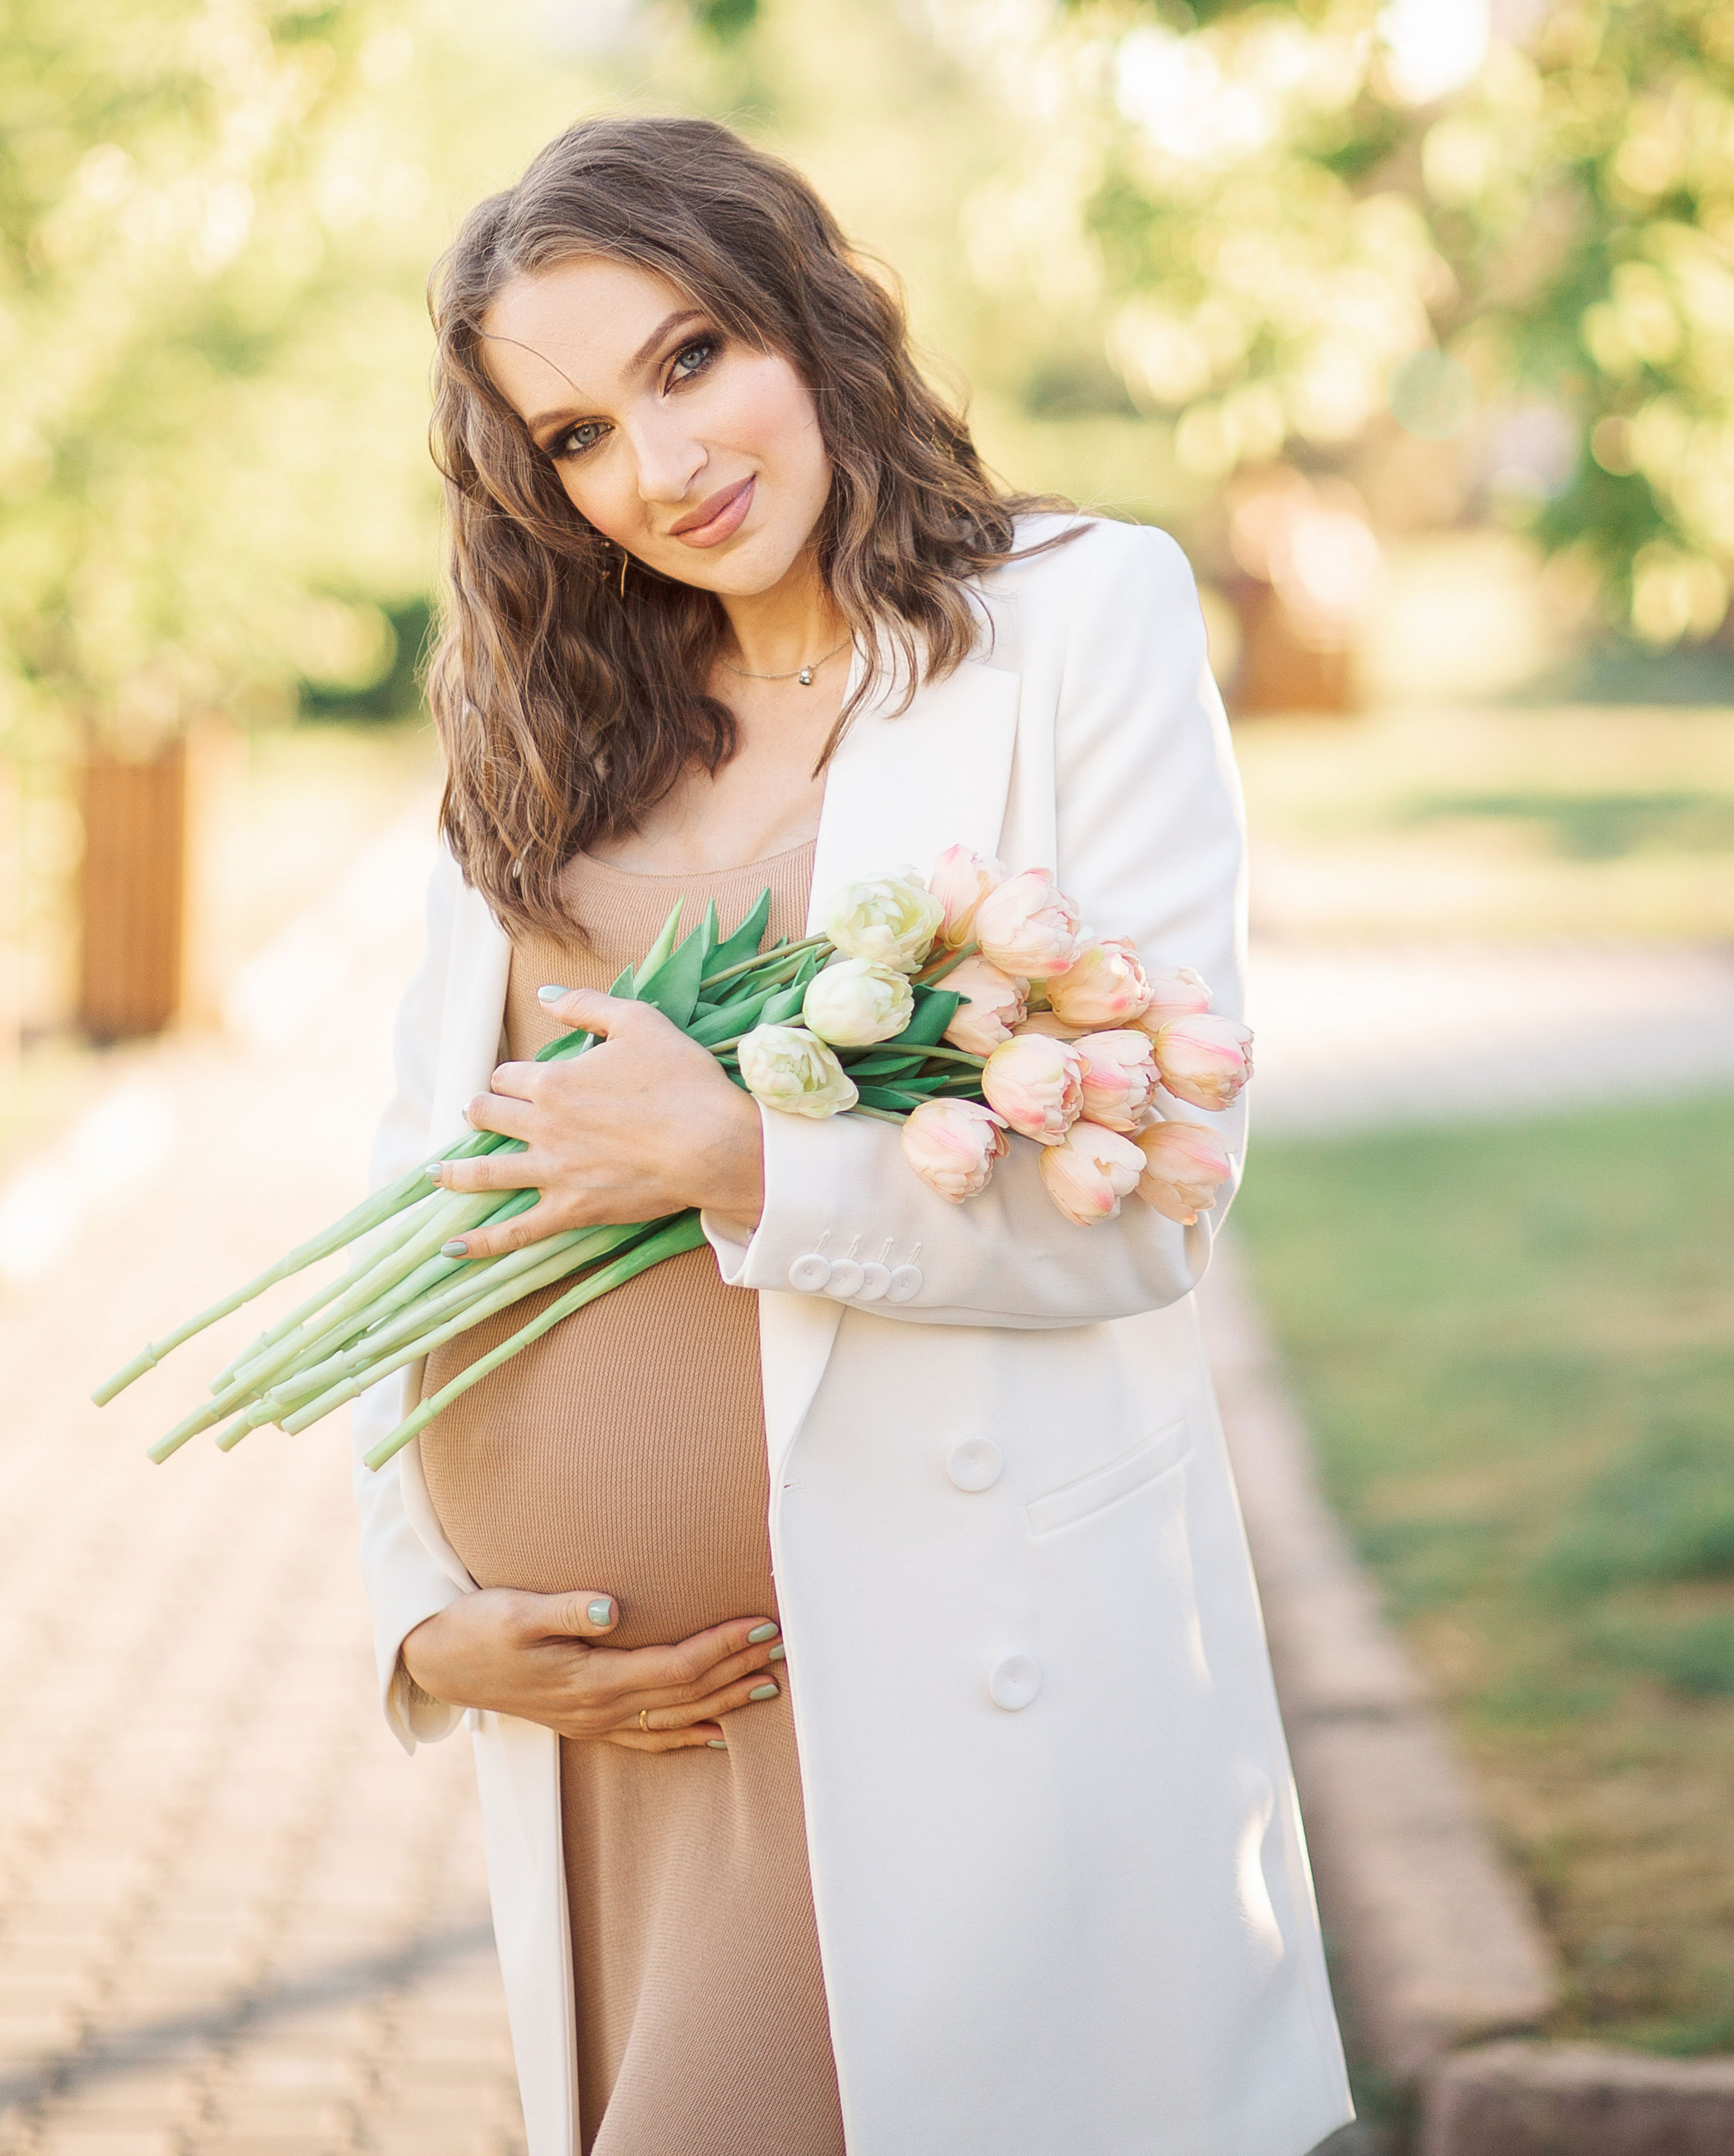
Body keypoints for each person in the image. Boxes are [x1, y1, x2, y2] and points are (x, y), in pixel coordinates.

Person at [353, 114, 1353, 2156]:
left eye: (690, 356)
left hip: (904, 1673)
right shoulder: (558, 722)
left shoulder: (1073, 623)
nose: (658, 464)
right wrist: (420, 1623)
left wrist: (736, 1157)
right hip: (604, 1726)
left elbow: (1151, 1204)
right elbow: (417, 1207)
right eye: (575, 438)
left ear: (808, 312)